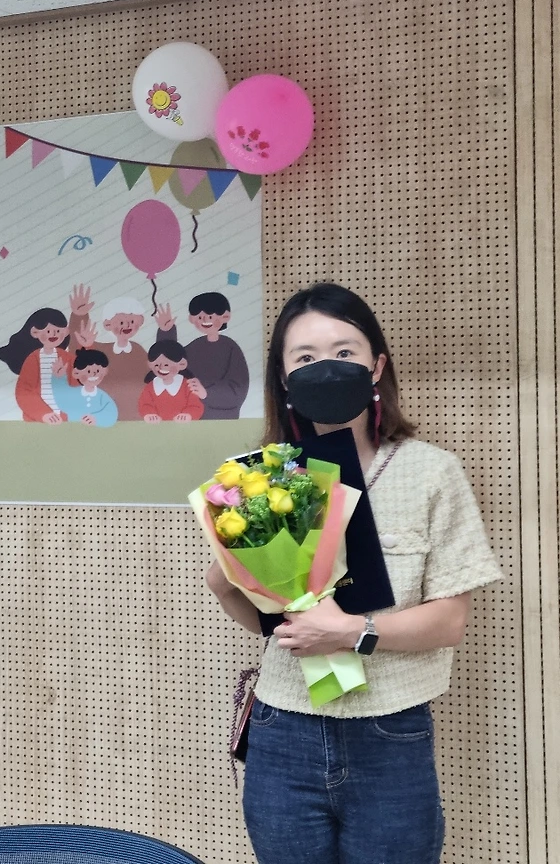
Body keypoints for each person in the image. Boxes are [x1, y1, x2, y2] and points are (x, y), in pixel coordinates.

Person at [205, 282, 502, 864]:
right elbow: (267, 623)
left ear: (377, 367)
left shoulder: (432, 472)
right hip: (282, 727)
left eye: (344, 352)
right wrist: (226, 581)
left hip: (389, 732)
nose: (326, 368)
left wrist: (351, 632)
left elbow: (449, 621)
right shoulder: (264, 478)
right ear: (283, 378)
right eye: (305, 357)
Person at [156, 291, 250, 419]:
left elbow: (238, 388)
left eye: (210, 317)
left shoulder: (230, 348)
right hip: (189, 416)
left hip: (221, 418)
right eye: (200, 317)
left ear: (225, 316)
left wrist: (207, 393)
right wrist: (166, 331)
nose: (205, 320)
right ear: (192, 319)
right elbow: (171, 362)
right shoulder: (195, 346)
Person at [67, 284, 150, 420]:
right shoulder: (101, 351)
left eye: (132, 321)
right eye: (121, 322)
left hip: (134, 414)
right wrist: (79, 316)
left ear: (140, 322)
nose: (127, 326)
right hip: (102, 413)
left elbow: (152, 375)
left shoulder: (137, 350)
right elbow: (79, 354)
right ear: (107, 325)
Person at [0, 307, 73, 423]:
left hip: (67, 419)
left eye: (58, 331)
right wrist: (43, 414)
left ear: (66, 331)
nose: (53, 334)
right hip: (36, 420)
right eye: (48, 331)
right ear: (35, 332)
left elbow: (83, 381)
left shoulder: (68, 358)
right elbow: (24, 391)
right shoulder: (33, 359)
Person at [137, 339, 204, 422]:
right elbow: (144, 404)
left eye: (166, 365)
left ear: (182, 364)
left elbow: (196, 406)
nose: (161, 368)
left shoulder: (187, 386)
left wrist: (188, 415)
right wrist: (149, 414)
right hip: (157, 427)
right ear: (150, 365)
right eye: (157, 365)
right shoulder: (150, 387)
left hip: (183, 427)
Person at [51, 348, 119, 427]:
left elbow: (112, 414)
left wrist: (96, 419)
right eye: (88, 371)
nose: (93, 374)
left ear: (105, 371)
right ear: (76, 373)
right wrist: (59, 378)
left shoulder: (102, 397)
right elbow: (62, 402)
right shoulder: (73, 394)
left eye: (97, 371)